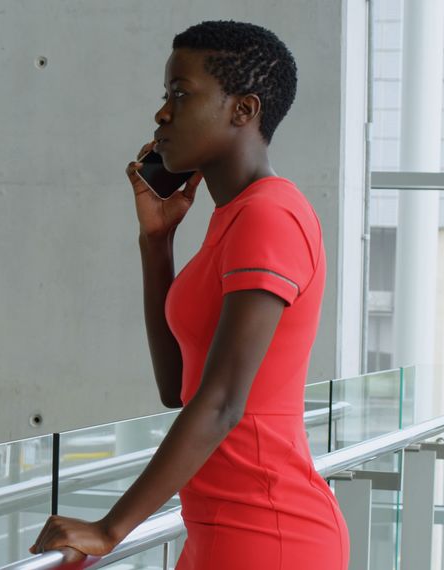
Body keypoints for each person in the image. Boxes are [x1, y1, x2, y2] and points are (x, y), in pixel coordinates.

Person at [28, 20, 350, 569]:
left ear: (242, 110)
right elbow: (178, 387)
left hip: (270, 533)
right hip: (217, 531)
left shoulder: (270, 216)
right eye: (165, 95)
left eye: (181, 94)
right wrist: (157, 244)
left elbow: (223, 402)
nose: (162, 114)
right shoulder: (233, 218)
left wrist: (110, 530)